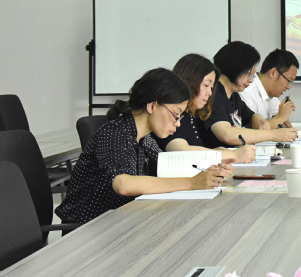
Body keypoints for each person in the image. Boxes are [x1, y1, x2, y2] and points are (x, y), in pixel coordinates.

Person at [55, 68, 233, 224]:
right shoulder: (115, 132)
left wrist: (209, 170)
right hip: (88, 228)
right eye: (176, 114)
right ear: (152, 106)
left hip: (122, 220)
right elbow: (123, 183)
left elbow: (167, 168)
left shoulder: (145, 139)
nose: (178, 123)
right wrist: (192, 182)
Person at [152, 54, 256, 163]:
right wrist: (232, 154)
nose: (210, 93)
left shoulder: (190, 115)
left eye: (211, 87)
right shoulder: (172, 115)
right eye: (206, 85)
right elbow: (181, 151)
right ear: (189, 82)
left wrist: (215, 152)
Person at [200, 41, 298, 149]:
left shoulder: (234, 95)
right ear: (236, 68)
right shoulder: (213, 94)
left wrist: (257, 118)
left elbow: (250, 116)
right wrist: (273, 135)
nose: (251, 80)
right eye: (249, 74)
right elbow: (227, 134)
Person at [240, 48, 298, 129]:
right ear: (273, 73)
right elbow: (252, 132)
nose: (289, 87)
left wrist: (283, 117)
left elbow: (280, 123)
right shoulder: (247, 92)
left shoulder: (271, 95)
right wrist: (281, 118)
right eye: (288, 81)